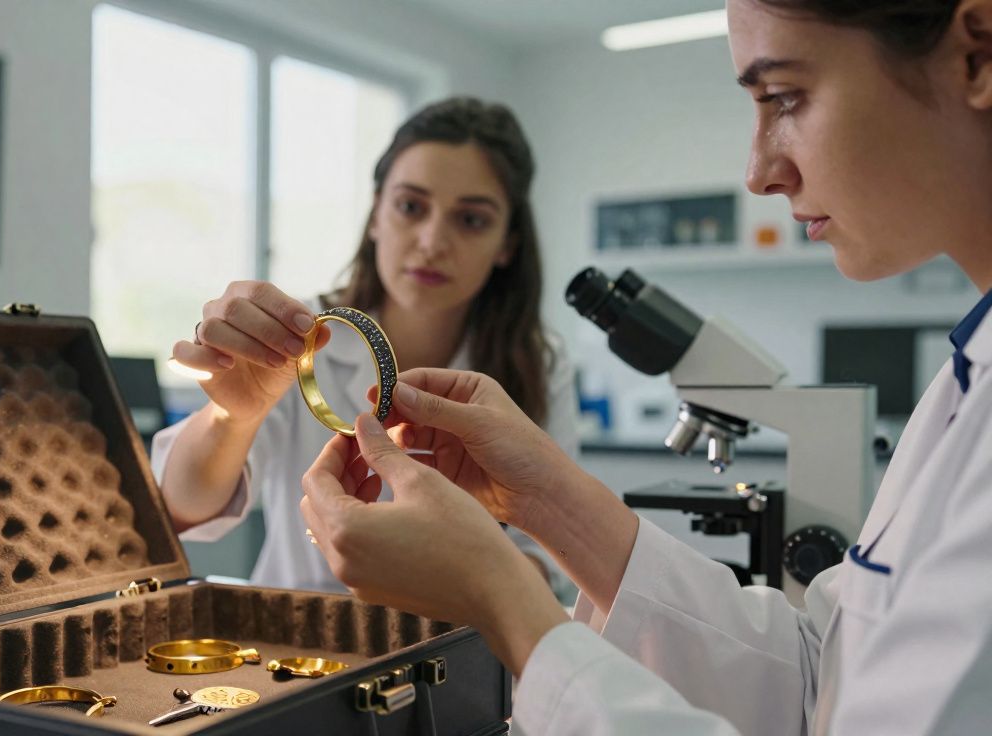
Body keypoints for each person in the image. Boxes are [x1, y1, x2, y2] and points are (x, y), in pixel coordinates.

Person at [300, 0, 992, 733]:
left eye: (785, 98)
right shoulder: (963, 383)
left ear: (977, 53)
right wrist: (548, 500)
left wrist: (499, 596)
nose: (758, 173)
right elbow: (820, 678)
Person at [152, 97, 581, 598]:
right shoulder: (295, 336)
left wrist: (466, 578)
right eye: (410, 207)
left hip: (460, 641)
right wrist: (233, 417)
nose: (431, 241)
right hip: (298, 649)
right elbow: (182, 508)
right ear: (376, 214)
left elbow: (554, 548)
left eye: (471, 220)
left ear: (507, 243)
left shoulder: (541, 363)